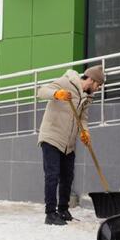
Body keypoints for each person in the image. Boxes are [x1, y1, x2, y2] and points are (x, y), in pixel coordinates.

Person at [36, 65, 104, 225]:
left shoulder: (87, 97)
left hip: (69, 142)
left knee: (67, 176)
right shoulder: (66, 82)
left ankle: (63, 209)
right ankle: (50, 213)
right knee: (52, 175)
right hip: (52, 136)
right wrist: (56, 94)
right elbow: (41, 91)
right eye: (98, 85)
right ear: (91, 80)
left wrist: (85, 132)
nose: (98, 89)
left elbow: (83, 119)